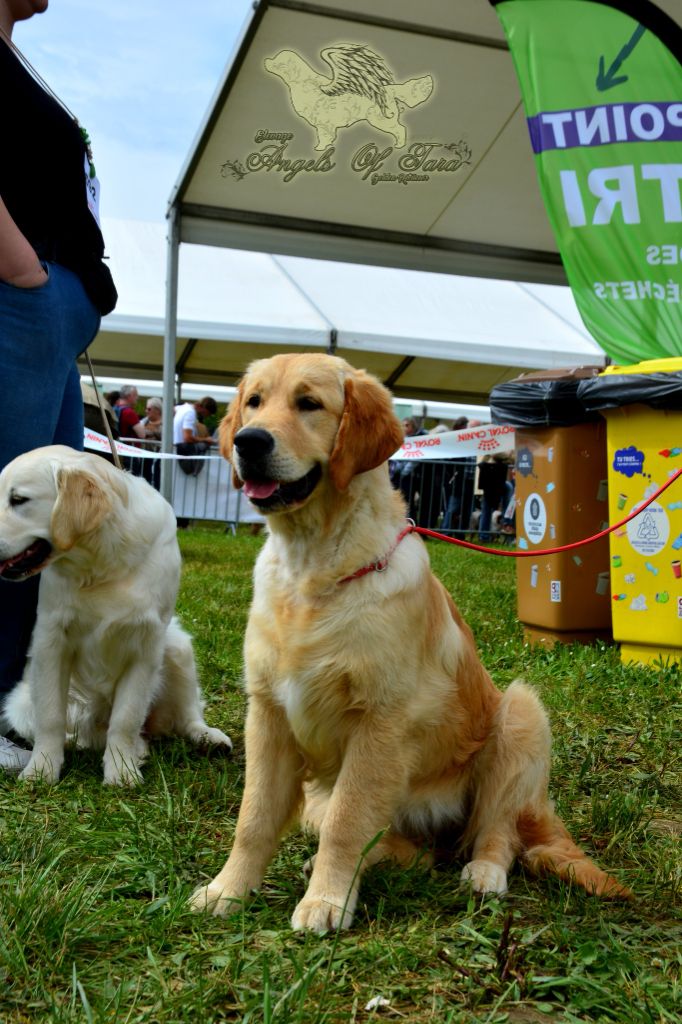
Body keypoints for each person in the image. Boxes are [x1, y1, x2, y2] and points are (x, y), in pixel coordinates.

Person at [0, 0, 117, 771]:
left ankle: (22, 704)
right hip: (24, 296)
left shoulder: (11, 55)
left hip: (49, 306)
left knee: (47, 523)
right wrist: (25, 275)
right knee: (11, 514)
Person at [139, 396, 162, 490]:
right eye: (146, 409)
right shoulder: (143, 422)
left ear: (157, 410)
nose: (146, 411)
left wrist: (150, 433)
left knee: (156, 482)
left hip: (158, 458)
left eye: (149, 409)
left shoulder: (166, 423)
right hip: (144, 457)